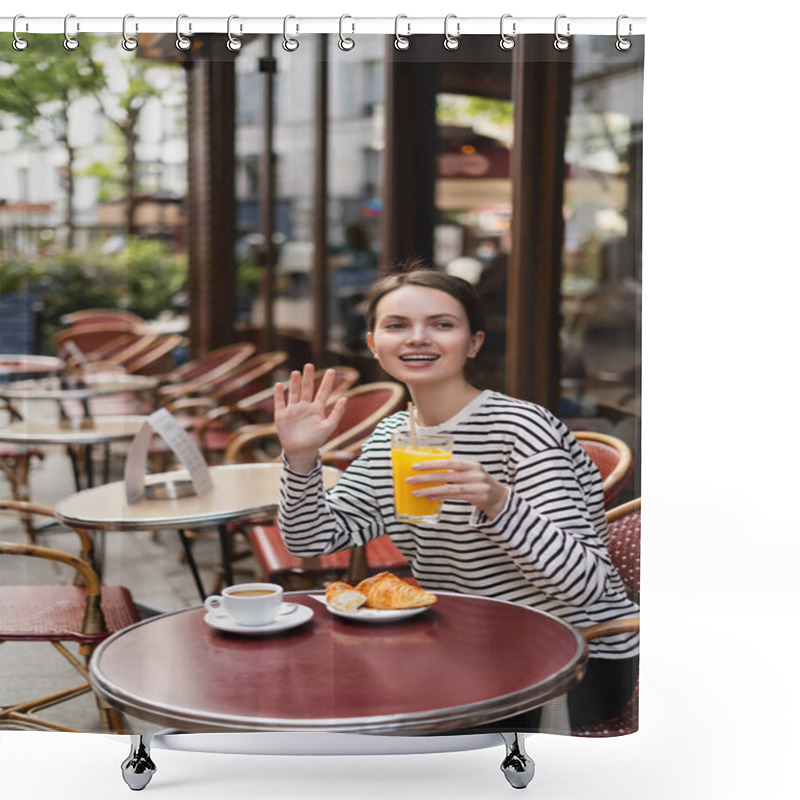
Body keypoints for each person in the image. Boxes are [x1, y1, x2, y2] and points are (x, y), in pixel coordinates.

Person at [274, 263, 639, 732]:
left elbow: (584, 585)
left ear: (473, 343)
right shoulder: (392, 436)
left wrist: (498, 501)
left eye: (442, 325)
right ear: (373, 344)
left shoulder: (523, 430)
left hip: (573, 657)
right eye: (397, 326)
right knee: (318, 694)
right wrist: (301, 459)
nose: (417, 339)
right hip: (468, 642)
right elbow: (311, 538)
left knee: (360, 721)